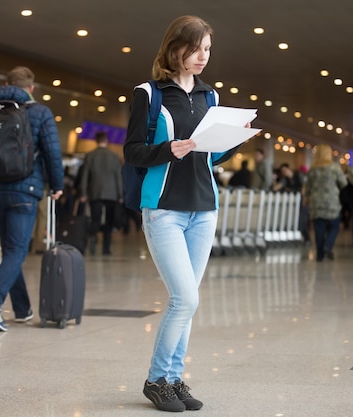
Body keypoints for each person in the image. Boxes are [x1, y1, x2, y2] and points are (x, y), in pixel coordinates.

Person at [123, 15, 245, 412]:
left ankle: (174, 379)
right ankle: (157, 379)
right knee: (184, 299)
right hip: (163, 209)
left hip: (203, 208)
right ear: (175, 48)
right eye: (196, 49)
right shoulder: (150, 93)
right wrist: (167, 149)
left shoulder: (210, 96)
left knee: (188, 301)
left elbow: (212, 151)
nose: (203, 57)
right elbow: (133, 152)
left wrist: (233, 139)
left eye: (208, 50)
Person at [0, 66, 64, 332]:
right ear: (30, 89)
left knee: (11, 250)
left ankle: (22, 309)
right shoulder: (40, 112)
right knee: (16, 251)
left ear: (7, 84)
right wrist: (57, 185)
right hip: (25, 190)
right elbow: (53, 152)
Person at [79, 131, 123, 255]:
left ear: (96, 141)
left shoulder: (90, 156)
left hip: (95, 192)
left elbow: (85, 176)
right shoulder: (114, 156)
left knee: (95, 219)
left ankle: (92, 242)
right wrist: (120, 194)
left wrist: (83, 193)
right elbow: (118, 177)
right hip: (111, 193)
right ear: (106, 141)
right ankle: (106, 248)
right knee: (109, 222)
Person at [305, 144, 347, 261]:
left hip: (316, 202)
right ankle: (328, 245)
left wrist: (307, 198)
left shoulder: (313, 169)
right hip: (331, 202)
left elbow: (308, 187)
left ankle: (319, 255)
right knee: (334, 226)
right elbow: (343, 182)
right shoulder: (334, 167)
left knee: (319, 229)